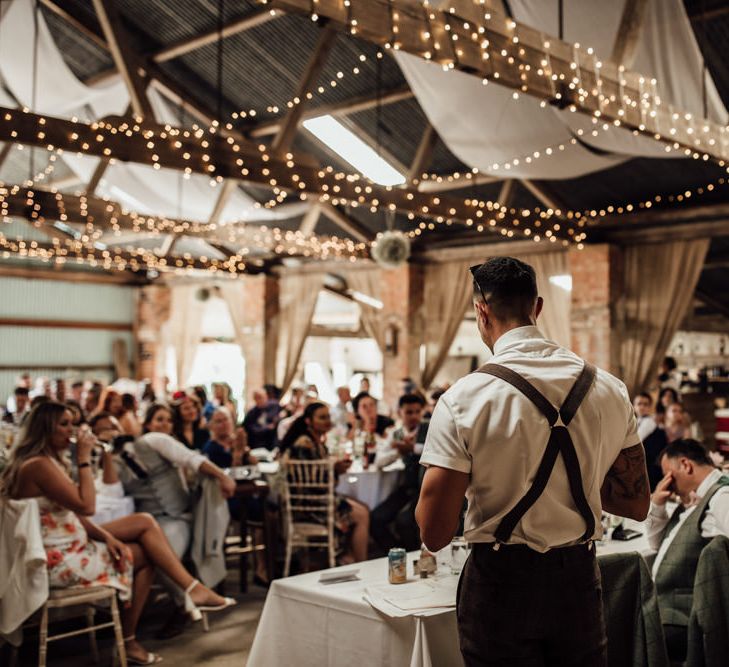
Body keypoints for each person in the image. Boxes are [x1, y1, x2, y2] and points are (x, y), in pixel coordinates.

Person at [416, 256, 650, 667]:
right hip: (578, 579)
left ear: (480, 310)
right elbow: (635, 504)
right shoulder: (610, 389)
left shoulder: (463, 398)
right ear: (537, 308)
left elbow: (434, 532)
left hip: (499, 584)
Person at [0, 402, 234, 665]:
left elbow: (73, 512)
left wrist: (108, 537)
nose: (71, 430)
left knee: (143, 523)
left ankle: (191, 589)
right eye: (64, 424)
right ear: (45, 429)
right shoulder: (38, 465)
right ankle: (132, 638)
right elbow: (87, 506)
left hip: (65, 538)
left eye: (72, 424)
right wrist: (84, 459)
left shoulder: (46, 461)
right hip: (57, 558)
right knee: (146, 555)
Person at [646, 439, 729, 662]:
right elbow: (656, 545)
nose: (668, 484)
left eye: (668, 476)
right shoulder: (697, 498)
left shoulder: (722, 497)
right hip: (668, 609)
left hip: (686, 616)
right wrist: (657, 505)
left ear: (686, 465)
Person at [280, 402, 370, 564]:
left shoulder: (316, 442)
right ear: (308, 421)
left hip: (318, 500)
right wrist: (335, 470)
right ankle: (357, 561)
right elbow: (311, 482)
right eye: (322, 417)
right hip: (309, 506)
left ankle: (348, 557)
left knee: (361, 508)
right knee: (362, 514)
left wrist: (335, 469)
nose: (327, 421)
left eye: (328, 416)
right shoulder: (304, 443)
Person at [202, 408, 269, 586]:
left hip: (247, 495)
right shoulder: (211, 449)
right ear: (211, 425)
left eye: (226, 420)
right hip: (225, 499)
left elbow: (254, 470)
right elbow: (228, 477)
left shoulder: (236, 443)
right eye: (219, 421)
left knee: (270, 510)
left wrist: (245, 450)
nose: (224, 424)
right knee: (260, 512)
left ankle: (263, 565)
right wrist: (238, 455)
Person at [370, 393, 427, 553]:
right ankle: (398, 553)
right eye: (409, 412)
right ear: (400, 412)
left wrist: (411, 448)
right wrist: (397, 451)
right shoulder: (397, 434)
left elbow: (434, 449)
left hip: (425, 487)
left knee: (405, 521)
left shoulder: (428, 428)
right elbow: (379, 462)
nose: (414, 416)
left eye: (417, 411)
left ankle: (411, 556)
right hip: (406, 488)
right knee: (376, 519)